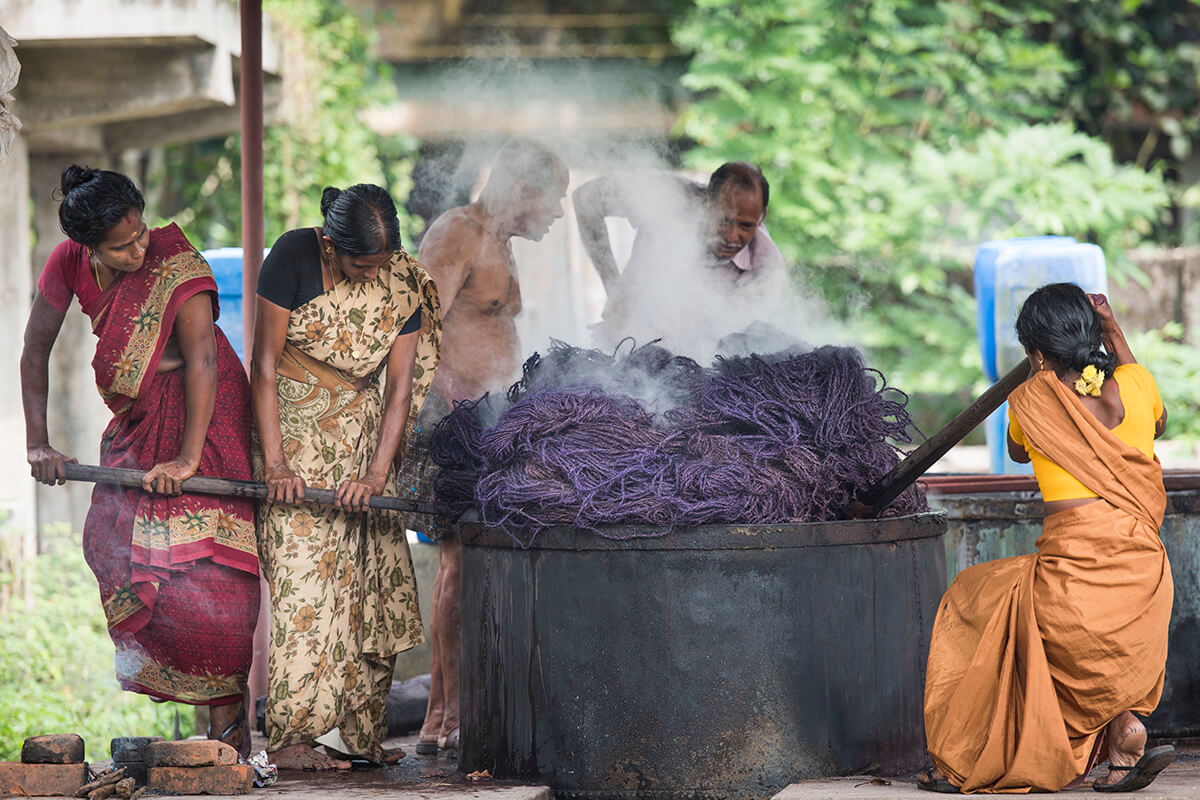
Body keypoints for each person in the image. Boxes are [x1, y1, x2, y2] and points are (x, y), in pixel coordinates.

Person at [20, 166, 259, 755]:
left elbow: (202, 360)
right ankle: (199, 744)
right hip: (141, 420)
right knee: (114, 542)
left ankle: (228, 746)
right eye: (121, 246)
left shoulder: (180, 264)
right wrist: (38, 442)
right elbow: (35, 348)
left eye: (141, 233)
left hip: (210, 415)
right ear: (87, 246)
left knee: (215, 575)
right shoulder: (66, 263)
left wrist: (187, 458)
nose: (139, 248)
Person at [921, 283, 1173, 793]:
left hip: (1073, 592)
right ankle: (1124, 728)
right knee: (1067, 633)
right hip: (1145, 588)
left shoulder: (1030, 400)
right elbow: (1161, 422)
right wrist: (1115, 332)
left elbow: (1016, 452)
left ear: (1035, 352)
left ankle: (972, 756)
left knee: (974, 602)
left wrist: (1041, 375)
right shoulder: (1139, 385)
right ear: (1095, 334)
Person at [251, 183, 440, 771]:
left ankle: (358, 735)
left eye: (381, 265)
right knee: (304, 589)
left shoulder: (402, 278)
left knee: (369, 588)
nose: (372, 277)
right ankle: (290, 740)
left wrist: (378, 474)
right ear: (330, 246)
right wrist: (277, 463)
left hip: (362, 444)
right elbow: (262, 363)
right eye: (362, 265)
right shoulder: (292, 256)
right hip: (291, 434)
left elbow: (400, 388)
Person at [396, 137, 568, 756]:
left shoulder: (502, 242)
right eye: (555, 200)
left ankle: (459, 710)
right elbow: (418, 327)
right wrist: (459, 405)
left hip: (497, 419)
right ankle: (441, 715)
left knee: (485, 559)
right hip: (456, 420)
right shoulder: (458, 231)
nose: (559, 214)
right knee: (459, 562)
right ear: (524, 192)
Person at [573, 161, 787, 356]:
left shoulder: (767, 270)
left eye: (745, 226)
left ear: (761, 218)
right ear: (706, 201)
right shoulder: (667, 196)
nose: (732, 236)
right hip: (622, 348)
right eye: (724, 220)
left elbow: (739, 349)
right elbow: (586, 199)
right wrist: (614, 287)